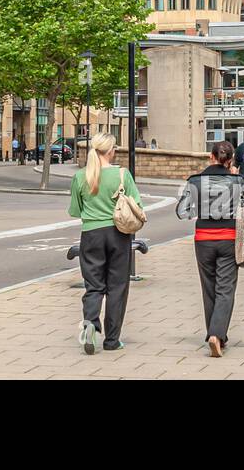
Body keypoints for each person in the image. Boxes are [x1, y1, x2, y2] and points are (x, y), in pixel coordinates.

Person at [68, 132, 141, 354]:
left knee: (94, 285)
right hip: (118, 234)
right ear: (110, 151)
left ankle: (90, 323)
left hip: (90, 234)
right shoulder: (122, 174)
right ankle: (112, 340)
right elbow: (136, 203)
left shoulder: (81, 176)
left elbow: (75, 210)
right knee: (117, 286)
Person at [177, 141, 244, 357]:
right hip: (228, 238)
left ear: (211, 156)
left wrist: (199, 211)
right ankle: (217, 334)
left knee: (208, 288)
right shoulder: (237, 181)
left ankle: (214, 334)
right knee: (225, 289)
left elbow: (182, 211)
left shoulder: (195, 181)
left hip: (203, 239)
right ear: (231, 160)